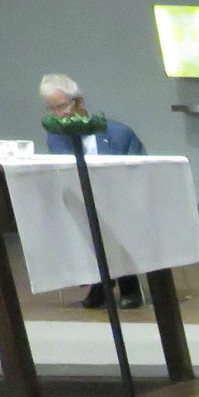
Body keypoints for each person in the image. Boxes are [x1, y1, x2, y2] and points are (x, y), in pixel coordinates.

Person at [39, 73, 147, 309]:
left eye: (63, 106)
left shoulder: (118, 133)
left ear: (79, 102)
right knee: (79, 221)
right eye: (53, 109)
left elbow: (140, 170)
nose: (60, 114)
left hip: (121, 199)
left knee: (115, 221)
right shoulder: (56, 136)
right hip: (82, 199)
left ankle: (130, 285)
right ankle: (99, 283)